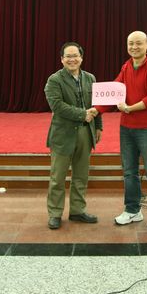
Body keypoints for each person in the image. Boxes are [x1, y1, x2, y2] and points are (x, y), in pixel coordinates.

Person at [112, 30, 147, 232]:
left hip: (146, 129)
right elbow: (115, 89)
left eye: (138, 43)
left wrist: (129, 108)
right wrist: (96, 108)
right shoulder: (126, 66)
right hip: (126, 128)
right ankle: (133, 210)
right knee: (129, 172)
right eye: (130, 44)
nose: (134, 47)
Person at [44, 42, 102, 230]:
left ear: (81, 58)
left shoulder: (90, 78)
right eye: (68, 56)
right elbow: (57, 106)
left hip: (86, 133)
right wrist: (82, 114)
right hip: (63, 134)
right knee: (57, 178)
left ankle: (77, 210)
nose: (72, 59)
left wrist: (98, 126)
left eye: (75, 55)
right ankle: (55, 213)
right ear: (62, 59)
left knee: (81, 176)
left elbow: (97, 104)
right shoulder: (54, 80)